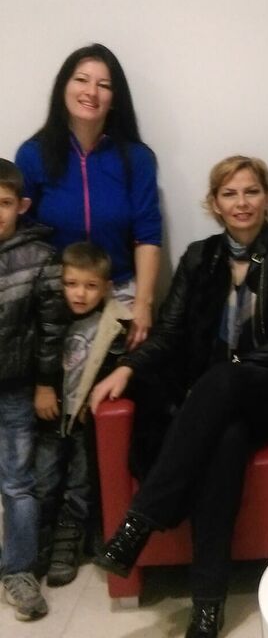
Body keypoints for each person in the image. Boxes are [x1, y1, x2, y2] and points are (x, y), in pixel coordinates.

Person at [90, 156, 268, 638]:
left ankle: (138, 524)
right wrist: (128, 366)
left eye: (251, 191)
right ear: (214, 204)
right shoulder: (199, 257)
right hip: (218, 404)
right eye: (229, 194)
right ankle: (207, 608)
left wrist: (232, 372)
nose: (241, 203)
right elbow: (170, 332)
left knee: (225, 381)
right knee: (226, 440)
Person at [16, 44, 161, 349]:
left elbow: (147, 235)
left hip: (117, 291)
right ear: (63, 87)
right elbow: (23, 234)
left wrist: (144, 303)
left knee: (121, 375)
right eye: (81, 80)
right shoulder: (32, 154)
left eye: (104, 85)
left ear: (115, 98)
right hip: (53, 294)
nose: (91, 92)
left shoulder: (137, 158)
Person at [33, 242, 130, 588]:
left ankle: (68, 545)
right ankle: (40, 545)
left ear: (105, 287)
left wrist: (97, 400)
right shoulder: (48, 321)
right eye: (71, 284)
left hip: (83, 424)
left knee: (80, 484)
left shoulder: (114, 326)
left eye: (90, 286)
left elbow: (119, 368)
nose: (79, 294)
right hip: (49, 419)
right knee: (44, 483)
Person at [0, 159, 68, 621]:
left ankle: (19, 570)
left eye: (4, 203)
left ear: (21, 206)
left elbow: (51, 331)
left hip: (16, 389)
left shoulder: (41, 257)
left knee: (18, 482)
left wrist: (45, 385)